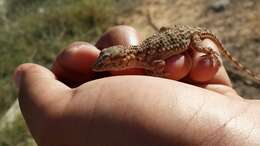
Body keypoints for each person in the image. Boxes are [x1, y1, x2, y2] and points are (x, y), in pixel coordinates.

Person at [14, 25, 260, 146]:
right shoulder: (142, 57)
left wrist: (162, 70)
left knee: (198, 50)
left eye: (108, 61)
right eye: (104, 60)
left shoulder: (148, 58)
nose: (102, 65)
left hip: (190, 36)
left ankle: (208, 51)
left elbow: (160, 65)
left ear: (123, 59)